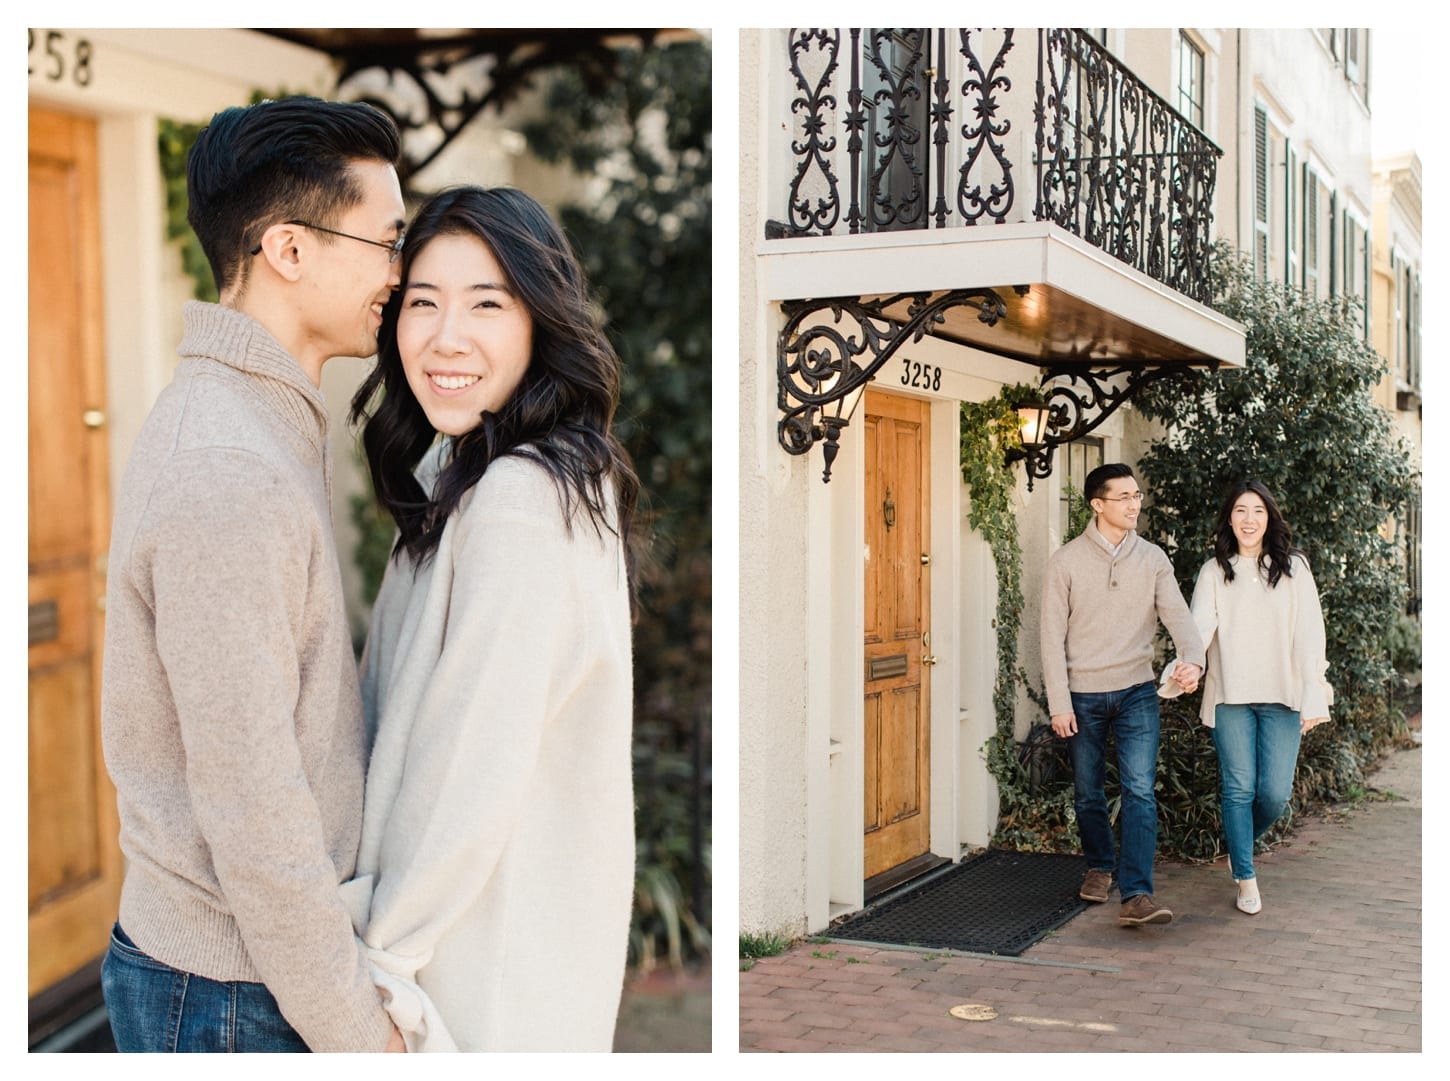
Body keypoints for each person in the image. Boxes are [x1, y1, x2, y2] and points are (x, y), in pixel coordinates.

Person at [99, 96, 408, 1052]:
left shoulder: (262, 420)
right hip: (232, 992)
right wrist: (360, 1033)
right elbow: (251, 799)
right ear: (290, 249)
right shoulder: (225, 466)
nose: (398, 276)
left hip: (246, 975)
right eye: (386, 241)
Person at [342, 185, 640, 1051]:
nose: (446, 337)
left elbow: (469, 761)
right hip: (498, 952)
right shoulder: (494, 470)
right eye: (422, 302)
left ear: (539, 322)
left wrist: (380, 965)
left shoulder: (517, 496)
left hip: (474, 974)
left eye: (486, 304)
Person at [1041, 463, 1205, 926]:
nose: (1135, 504)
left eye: (1137, 496)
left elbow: (1179, 619)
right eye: (1124, 497)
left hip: (1137, 690)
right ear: (1098, 504)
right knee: (1088, 792)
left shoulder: (1152, 558)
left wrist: (1192, 658)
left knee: (1139, 790)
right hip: (1083, 694)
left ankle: (1136, 894)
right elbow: (1051, 637)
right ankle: (1099, 866)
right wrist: (1059, 703)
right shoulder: (1066, 561)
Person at [1187, 480, 1331, 916]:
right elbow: (1198, 631)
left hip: (1283, 696)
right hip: (1232, 694)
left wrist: (1313, 693)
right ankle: (1245, 876)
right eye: (1241, 511)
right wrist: (1188, 666)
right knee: (1238, 788)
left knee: (1273, 794)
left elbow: (1310, 636)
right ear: (1229, 518)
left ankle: (1239, 844)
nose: (1249, 520)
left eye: (1258, 511)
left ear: (1269, 518)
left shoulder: (1294, 569)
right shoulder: (1215, 571)